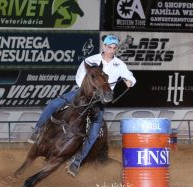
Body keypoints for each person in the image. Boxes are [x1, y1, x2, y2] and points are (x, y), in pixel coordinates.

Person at [28, 34, 136, 177]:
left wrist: (130, 81)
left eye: (114, 48)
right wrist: (86, 92)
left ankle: (77, 161)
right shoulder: (91, 60)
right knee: (54, 104)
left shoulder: (120, 65)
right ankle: (37, 130)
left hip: (99, 102)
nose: (112, 50)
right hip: (82, 94)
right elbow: (79, 77)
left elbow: (131, 78)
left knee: (94, 133)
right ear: (103, 46)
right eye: (109, 47)